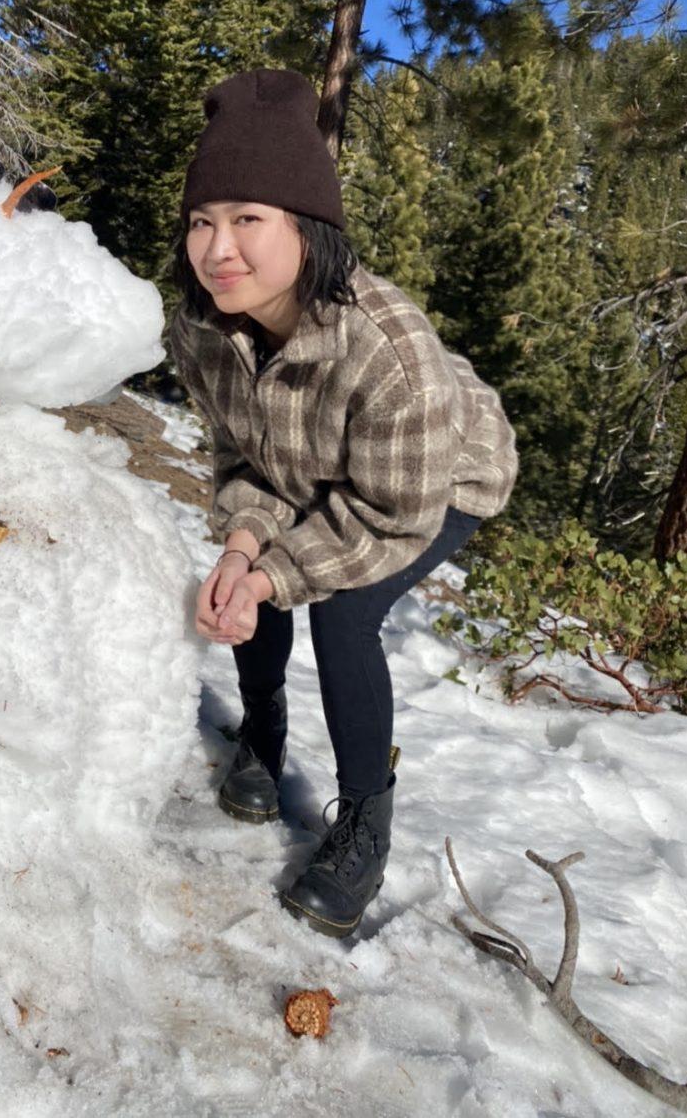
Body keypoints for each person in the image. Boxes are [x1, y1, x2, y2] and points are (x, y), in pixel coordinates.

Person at [166, 68, 519, 940]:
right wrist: (246, 546)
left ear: (306, 227)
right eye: (203, 221)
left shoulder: (389, 352)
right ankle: (264, 731)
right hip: (308, 459)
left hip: (434, 477)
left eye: (248, 219)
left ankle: (366, 820)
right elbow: (241, 454)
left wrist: (279, 568)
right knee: (249, 573)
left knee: (343, 611)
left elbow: (389, 515)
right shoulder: (205, 326)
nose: (218, 249)